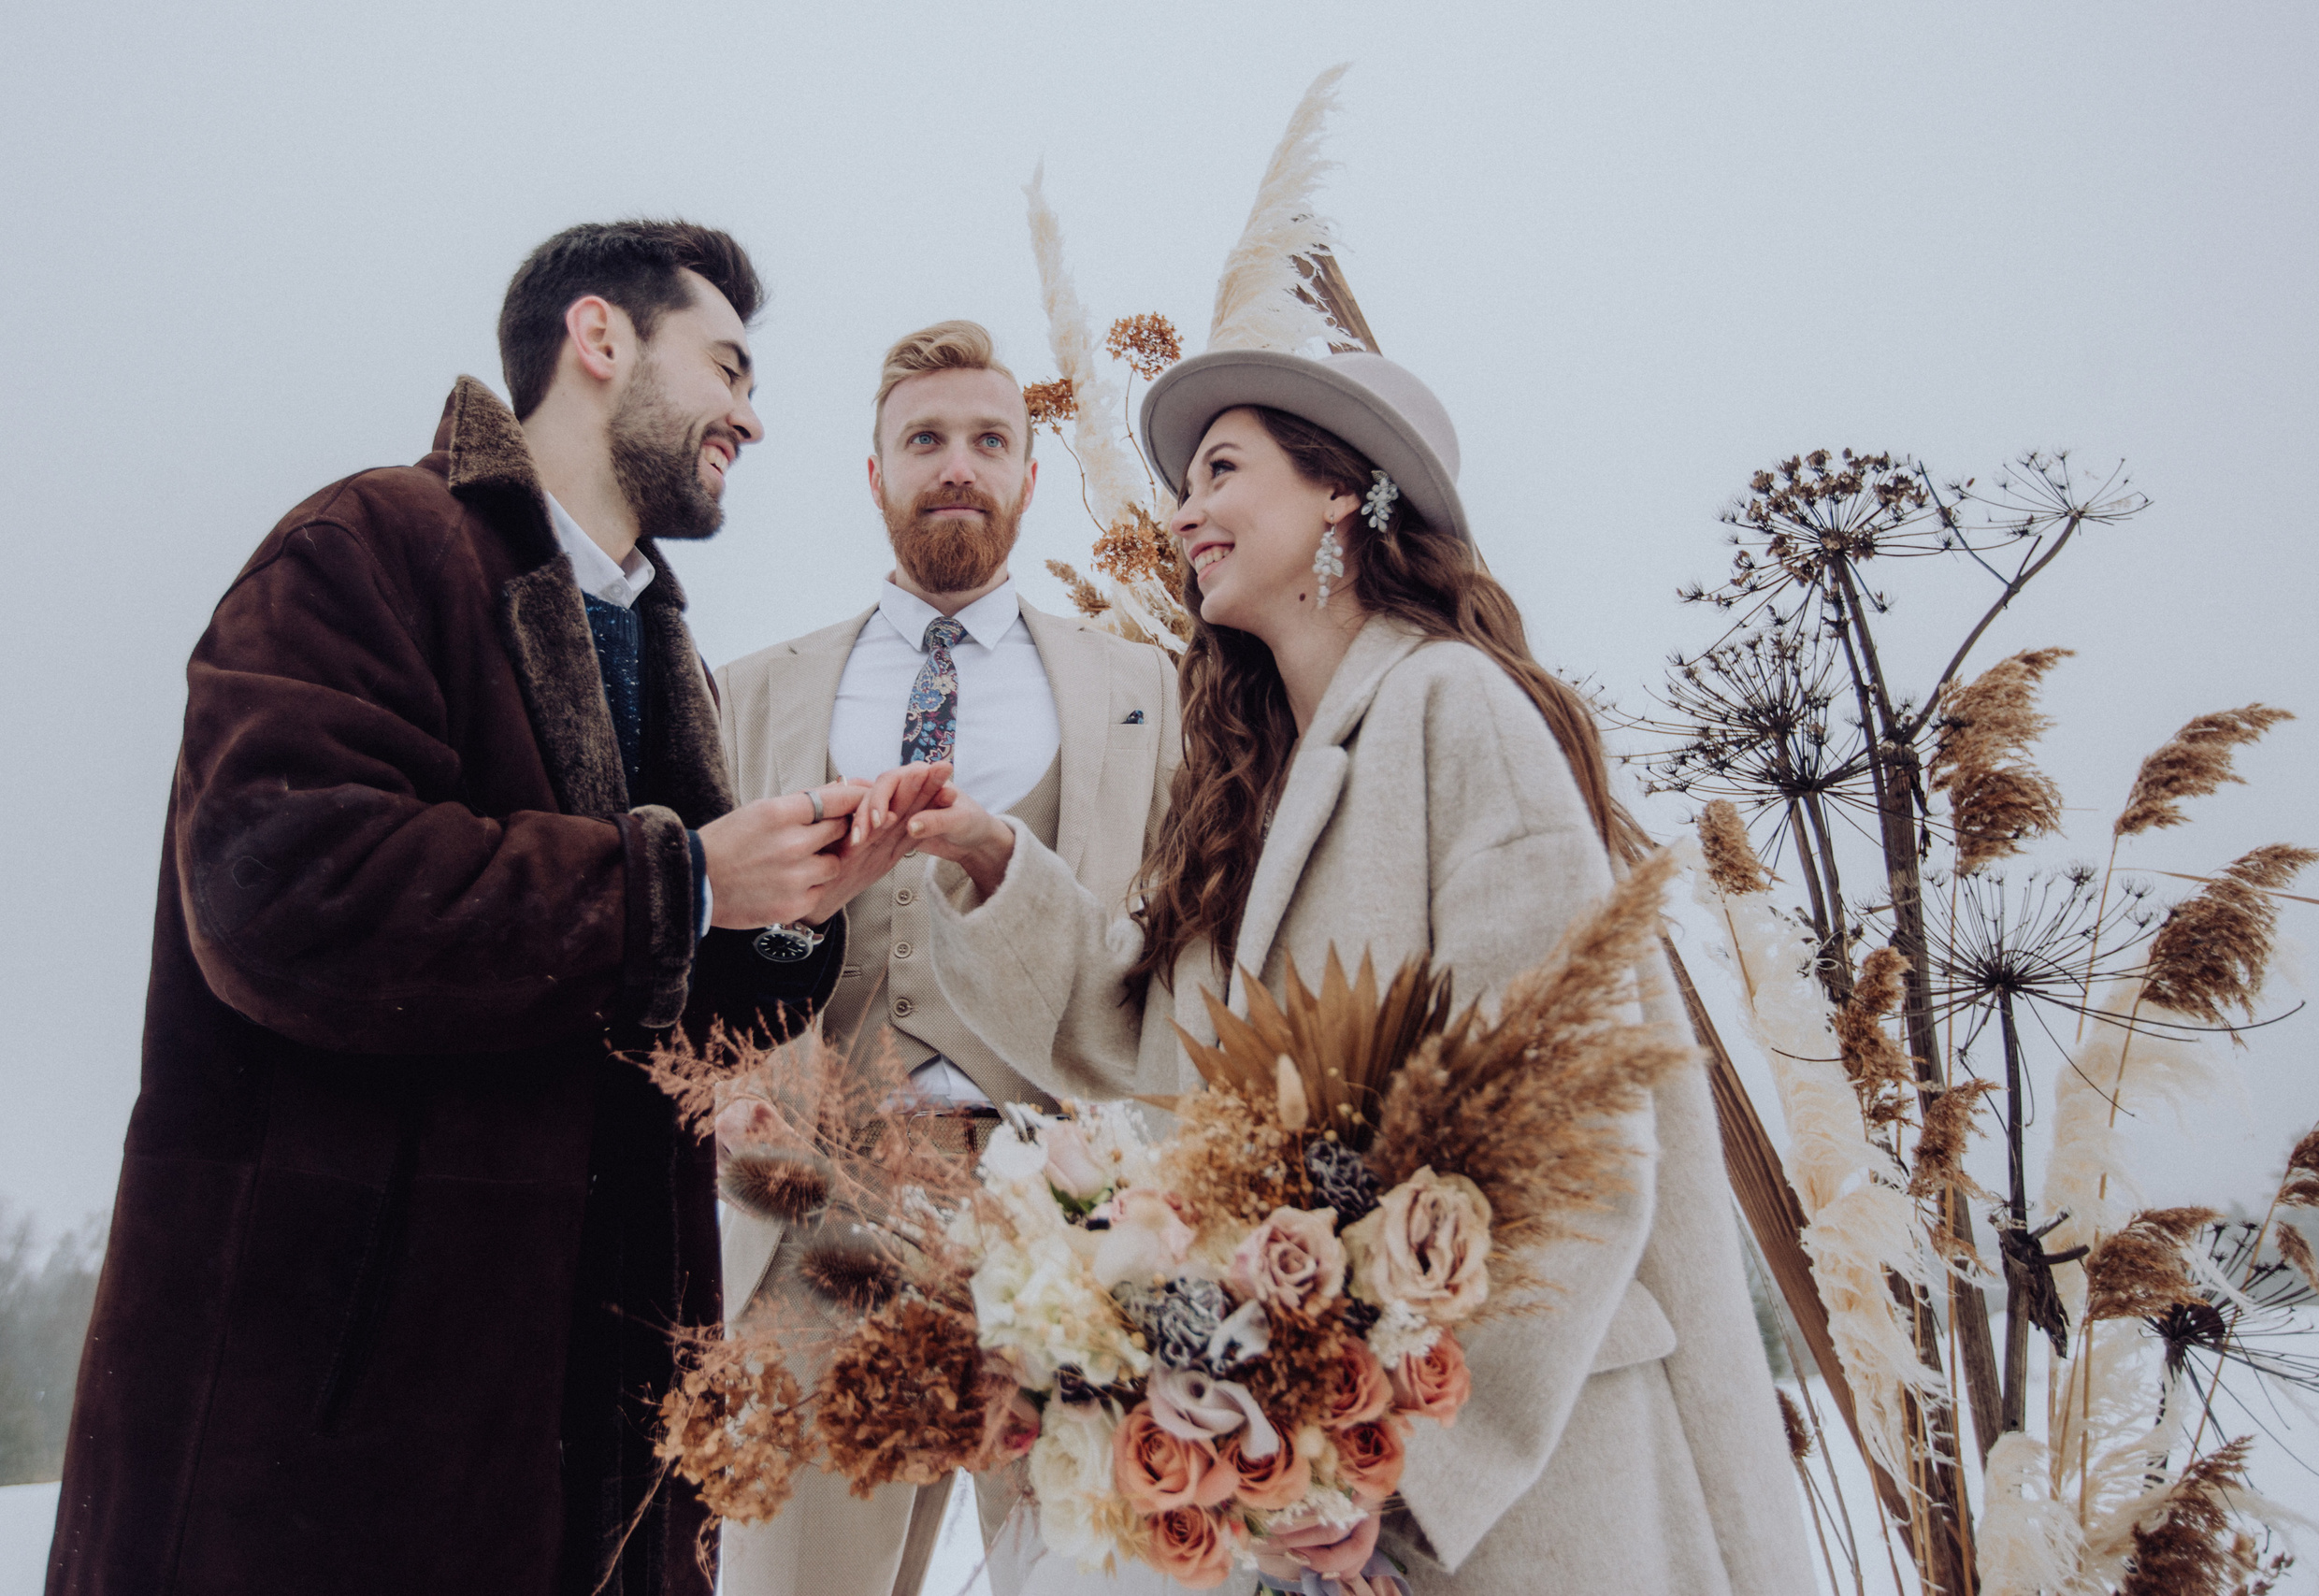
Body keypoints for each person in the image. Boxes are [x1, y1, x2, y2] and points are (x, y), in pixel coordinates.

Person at [45, 222, 946, 1596]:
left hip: (593, 1431)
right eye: (727, 365)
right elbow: (279, 887)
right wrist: (687, 876)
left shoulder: (660, 640)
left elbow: (645, 1000)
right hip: (336, 1434)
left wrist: (789, 905)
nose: (753, 417)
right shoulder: (366, 544)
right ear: (600, 340)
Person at [885, 350, 1814, 1592]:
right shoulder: (1248, 789)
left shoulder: (1458, 709)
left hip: (1499, 1476)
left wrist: (1395, 1471)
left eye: (1221, 470)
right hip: (1289, 1480)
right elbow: (1149, 1050)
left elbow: (1572, 1134)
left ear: (1341, 495)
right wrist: (997, 861)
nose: (1181, 514)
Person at [710, 322, 1179, 1596]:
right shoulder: (747, 695)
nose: (956, 466)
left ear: (1030, 473)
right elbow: (695, 960)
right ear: (874, 474)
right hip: (816, 1230)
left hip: (1075, 1226)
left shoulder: (1150, 691)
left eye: (989, 440)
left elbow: (1179, 961)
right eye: (924, 440)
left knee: (1103, 1571)